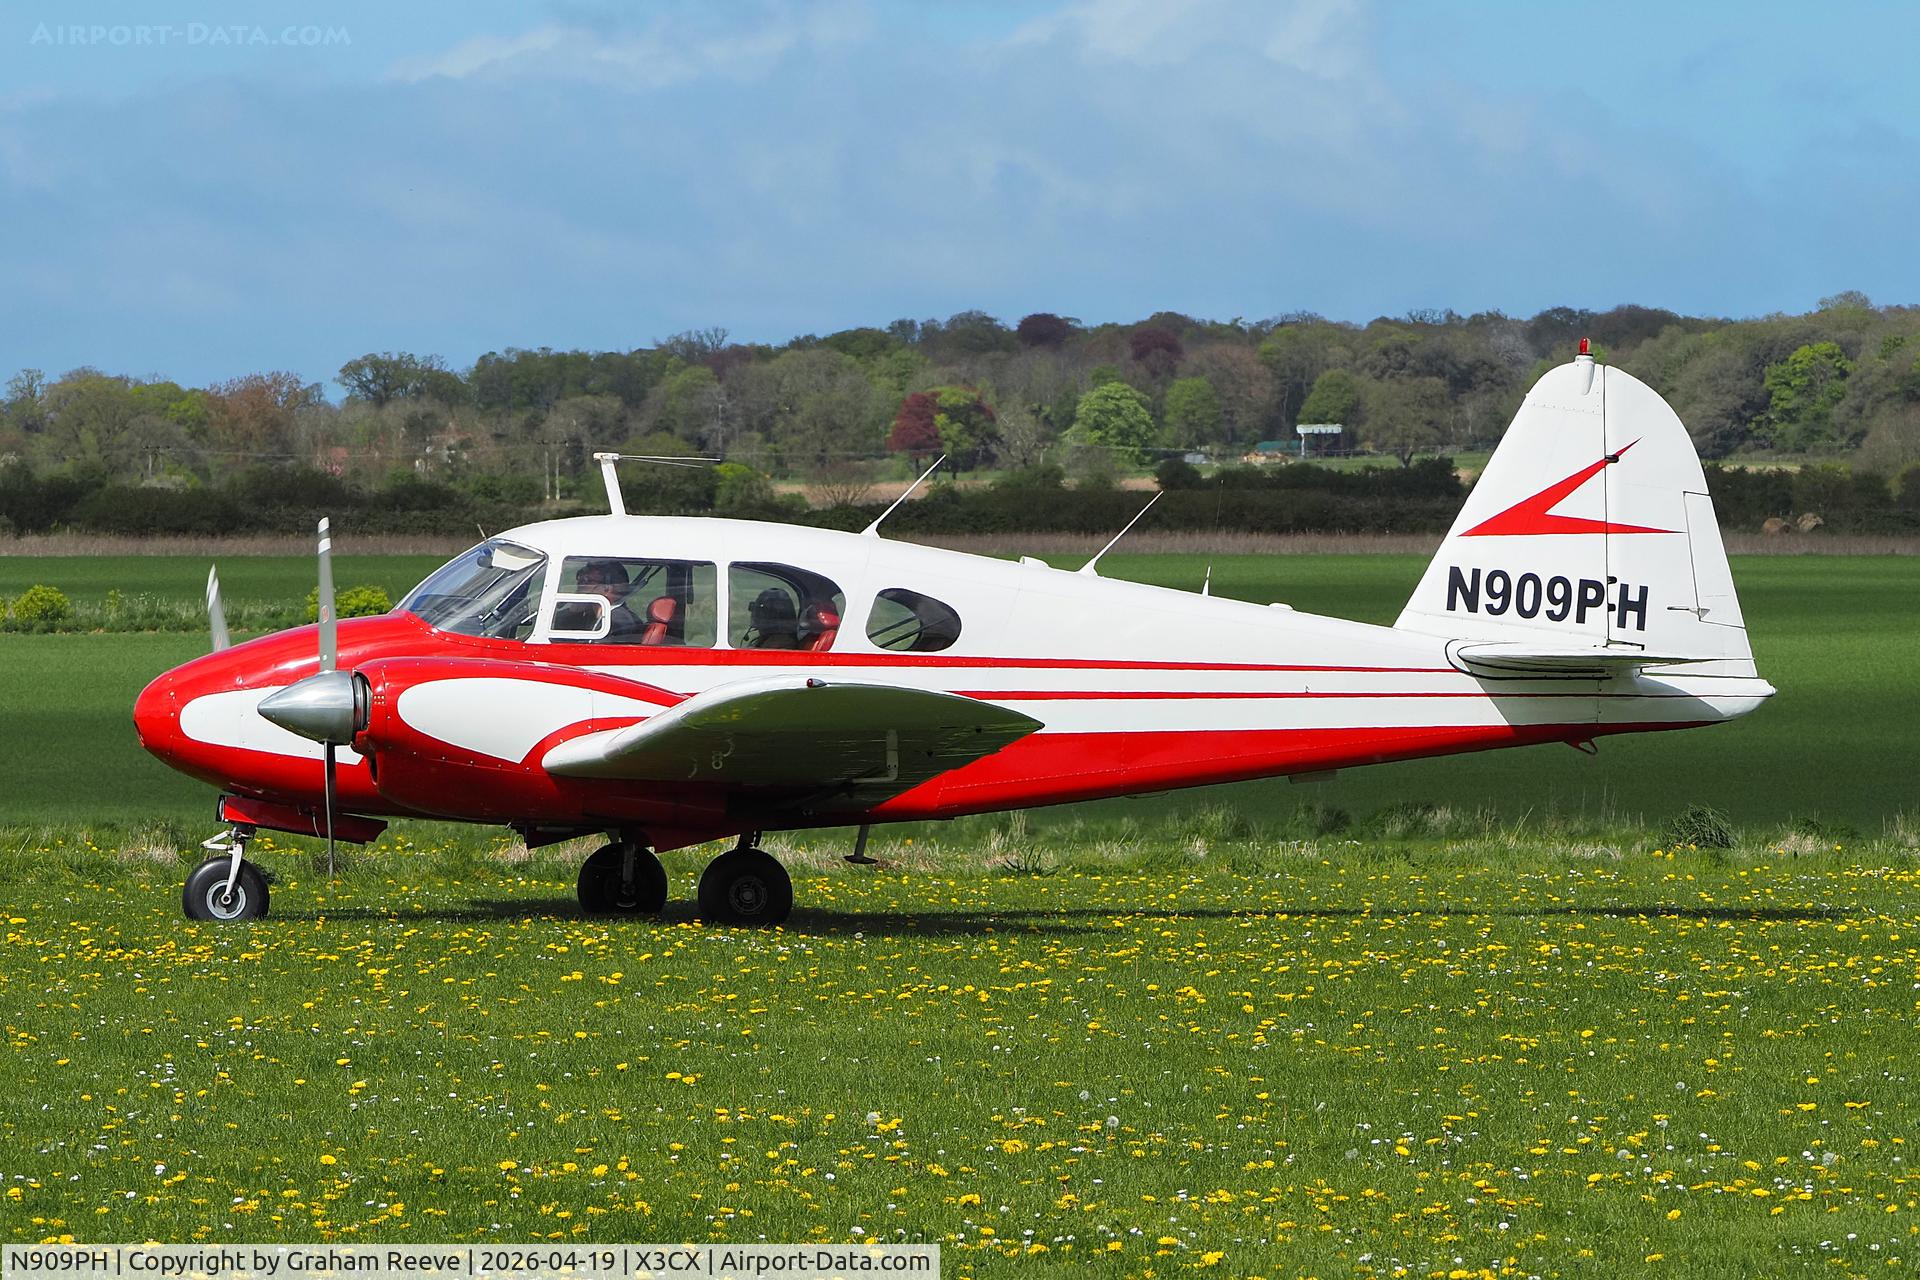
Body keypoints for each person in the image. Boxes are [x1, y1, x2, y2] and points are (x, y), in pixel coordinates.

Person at [574, 559, 644, 641]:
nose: (580, 585)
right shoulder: (597, 615)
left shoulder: (618, 622)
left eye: (587, 581)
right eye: (580, 579)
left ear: (606, 589)